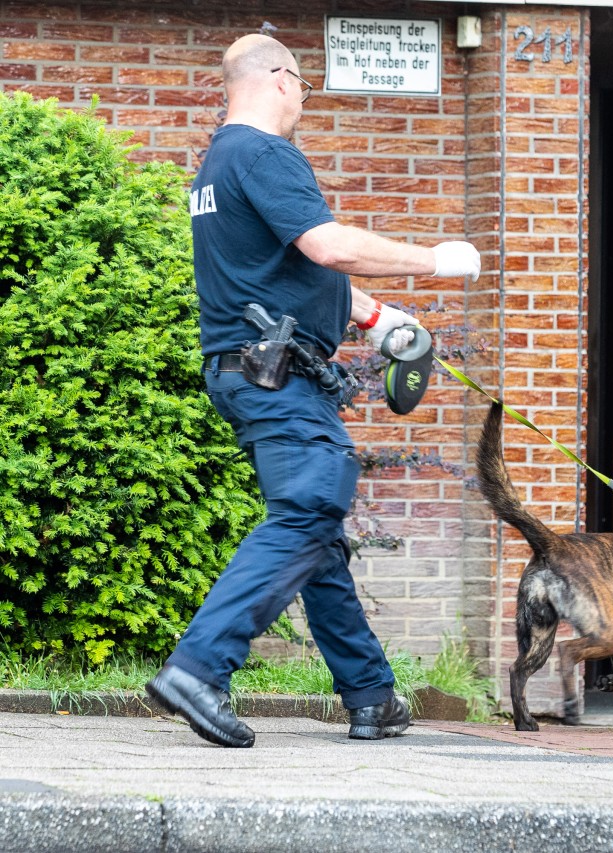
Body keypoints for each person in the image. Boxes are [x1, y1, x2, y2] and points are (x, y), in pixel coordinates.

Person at [145, 34, 481, 748]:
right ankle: (198, 668)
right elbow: (325, 245)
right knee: (313, 502)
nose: (303, 99)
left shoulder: (219, 163)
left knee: (318, 535)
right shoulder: (265, 153)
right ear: (281, 79)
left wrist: (374, 316)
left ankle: (371, 695)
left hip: (249, 368)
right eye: (303, 85)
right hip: (279, 376)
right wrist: (434, 261)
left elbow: (281, 268)